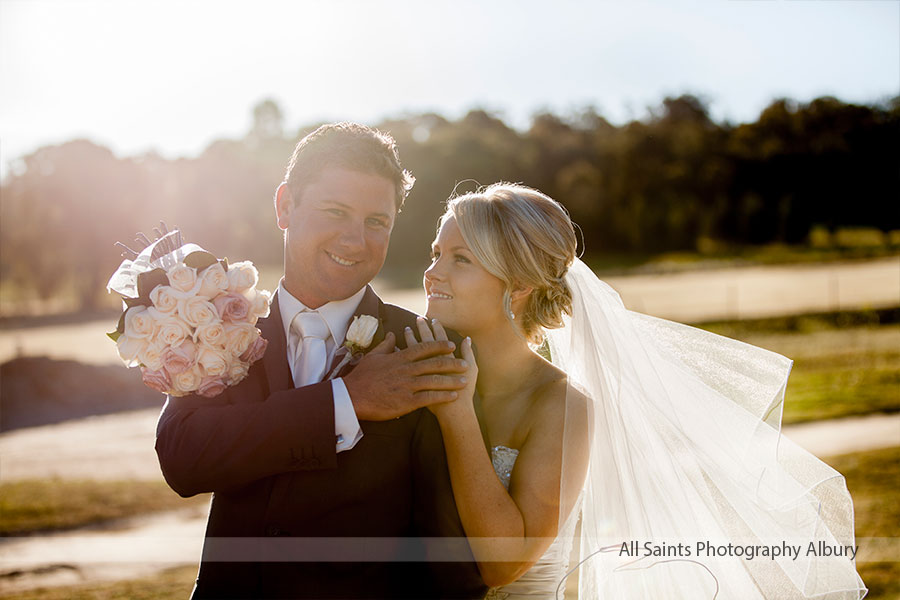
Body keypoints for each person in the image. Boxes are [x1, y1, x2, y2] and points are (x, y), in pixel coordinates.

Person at [411, 182, 867, 598]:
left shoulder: (563, 405)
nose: (433, 272)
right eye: (435, 253)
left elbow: (503, 564)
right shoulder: (413, 365)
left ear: (520, 286)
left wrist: (456, 416)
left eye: (460, 259)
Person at [155, 123, 487, 599]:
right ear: (285, 206)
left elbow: (448, 561)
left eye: (377, 222)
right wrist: (345, 402)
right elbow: (182, 459)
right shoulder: (222, 327)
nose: (355, 240)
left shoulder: (424, 346)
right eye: (336, 212)